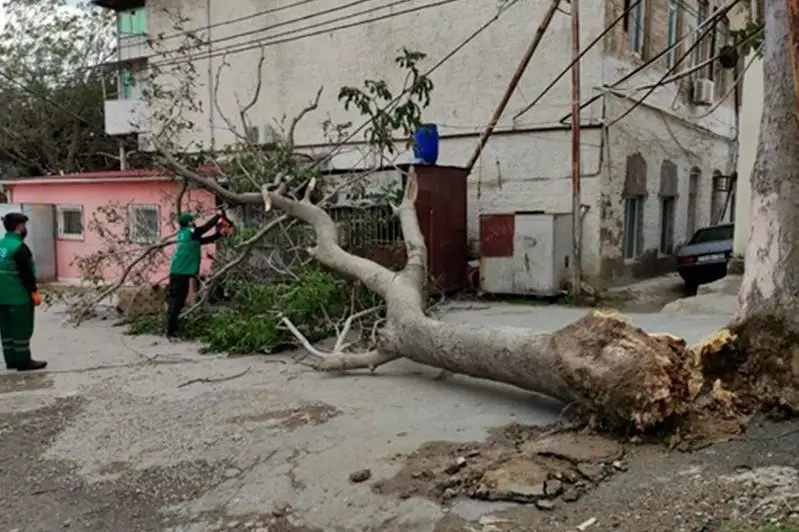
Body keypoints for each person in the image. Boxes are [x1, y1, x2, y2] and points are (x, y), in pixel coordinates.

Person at [166, 209, 231, 340]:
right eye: (192, 221)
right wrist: (217, 217)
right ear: (189, 222)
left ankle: (171, 327)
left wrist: (219, 235)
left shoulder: (184, 234)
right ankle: (171, 331)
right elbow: (204, 229)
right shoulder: (191, 232)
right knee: (178, 302)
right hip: (182, 273)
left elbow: (204, 240)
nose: (193, 223)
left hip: (176, 271)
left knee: (174, 301)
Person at [0, 212, 46, 371]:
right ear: (19, 227)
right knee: (21, 329)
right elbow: (26, 274)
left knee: (6, 330)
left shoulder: (1, 245)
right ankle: (23, 361)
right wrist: (34, 293)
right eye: (24, 226)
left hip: (1, 298)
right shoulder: (19, 248)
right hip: (18, 297)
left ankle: (11, 360)